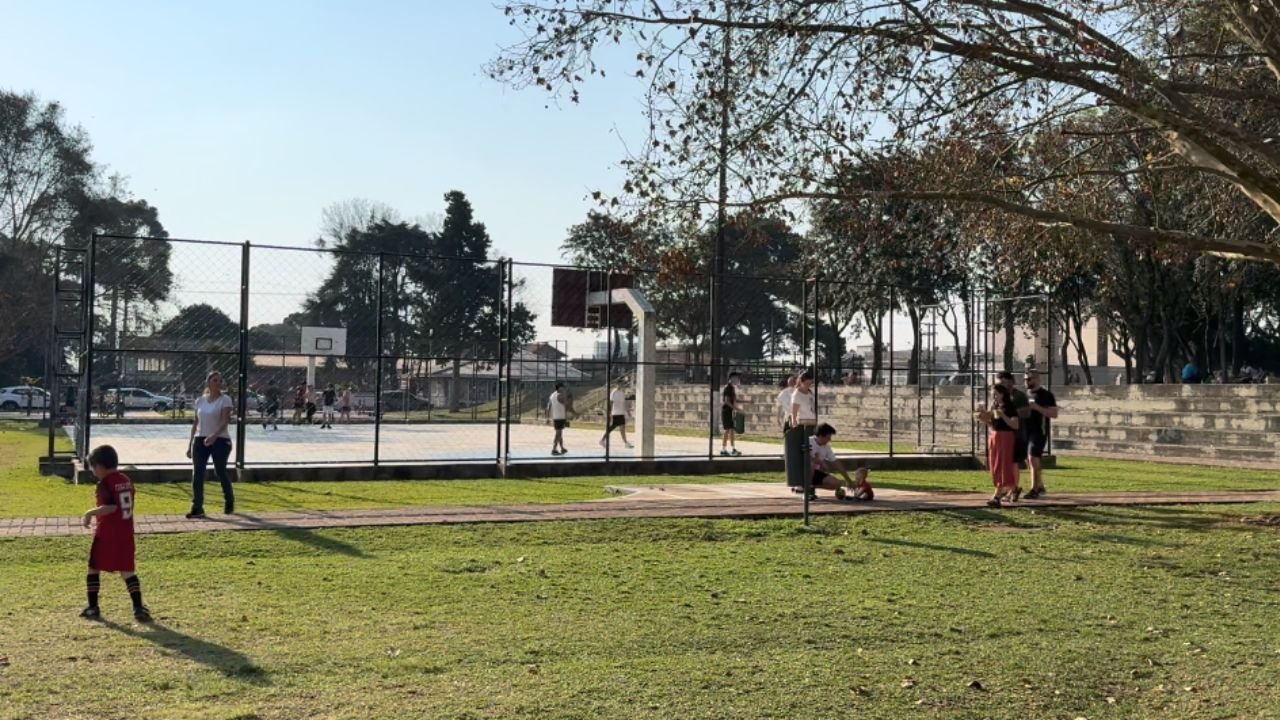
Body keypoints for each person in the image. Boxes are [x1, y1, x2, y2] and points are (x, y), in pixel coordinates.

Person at [79, 444, 151, 623]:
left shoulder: (105, 483)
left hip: (107, 533)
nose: (94, 471)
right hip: (126, 532)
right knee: (127, 570)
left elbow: (110, 507)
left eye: (93, 467)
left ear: (100, 466)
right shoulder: (126, 479)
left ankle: (93, 607)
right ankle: (138, 607)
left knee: (94, 567)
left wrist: (89, 513)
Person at [185, 371, 235, 518]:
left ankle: (229, 501)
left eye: (220, 381)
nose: (218, 383)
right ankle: (197, 506)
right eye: (215, 380)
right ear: (208, 382)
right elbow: (196, 423)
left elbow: (225, 420)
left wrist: (214, 435)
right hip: (201, 439)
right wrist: (190, 444)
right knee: (198, 472)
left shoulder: (225, 400)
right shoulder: (200, 401)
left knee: (220, 471)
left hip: (220, 440)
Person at [977, 384, 1021, 508]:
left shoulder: (1009, 406)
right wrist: (983, 417)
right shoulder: (994, 405)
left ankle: (997, 495)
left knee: (1002, 465)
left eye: (996, 393)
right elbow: (992, 423)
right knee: (995, 464)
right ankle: (1013, 488)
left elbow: (1015, 425)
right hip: (995, 436)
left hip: (1006, 437)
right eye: (992, 394)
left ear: (1002, 394)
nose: (993, 396)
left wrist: (1003, 415)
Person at [808, 423, 874, 501]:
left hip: (815, 473)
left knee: (837, 483)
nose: (830, 439)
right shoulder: (808, 441)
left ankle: (810, 487)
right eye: (828, 437)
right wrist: (814, 460)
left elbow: (837, 464)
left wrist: (848, 480)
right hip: (803, 472)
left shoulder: (826, 447)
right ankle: (807, 491)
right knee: (811, 464)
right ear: (821, 436)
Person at [1023, 370, 1059, 499]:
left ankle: (1034, 489)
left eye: (1030, 379)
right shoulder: (1025, 394)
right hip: (1026, 430)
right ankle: (1040, 485)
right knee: (1028, 460)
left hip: (1039, 431)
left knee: (1033, 457)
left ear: (1037, 379)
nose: (1027, 382)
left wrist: (1037, 407)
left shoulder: (1046, 395)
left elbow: (1054, 414)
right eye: (1025, 379)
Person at [997, 371, 1031, 494]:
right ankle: (1007, 487)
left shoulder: (1019, 396)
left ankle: (1014, 488)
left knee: (1013, 462)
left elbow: (1026, 412)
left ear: (1011, 382)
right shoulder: (998, 397)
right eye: (1000, 383)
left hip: (1016, 433)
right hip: (1001, 434)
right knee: (1003, 462)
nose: (1002, 386)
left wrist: (1009, 412)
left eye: (1004, 383)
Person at [600, 379, 633, 450]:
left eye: (622, 384)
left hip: (621, 412)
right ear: (617, 384)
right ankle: (602, 440)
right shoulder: (614, 392)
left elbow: (624, 403)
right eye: (620, 384)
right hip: (615, 413)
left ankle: (625, 443)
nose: (621, 385)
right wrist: (609, 412)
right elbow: (611, 403)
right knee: (612, 427)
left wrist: (627, 412)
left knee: (622, 427)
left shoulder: (622, 392)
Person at [720, 371, 742, 456]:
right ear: (731, 379)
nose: (737, 380)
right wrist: (736, 408)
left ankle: (732, 449)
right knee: (727, 430)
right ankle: (723, 449)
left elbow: (735, 401)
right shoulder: (728, 388)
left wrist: (748, 401)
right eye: (736, 378)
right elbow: (727, 401)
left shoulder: (732, 388)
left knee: (731, 430)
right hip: (726, 412)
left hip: (730, 412)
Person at [547, 382, 569, 456]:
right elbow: (566, 404)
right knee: (558, 433)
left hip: (555, 416)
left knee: (559, 433)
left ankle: (562, 448)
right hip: (560, 416)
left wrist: (548, 417)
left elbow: (548, 407)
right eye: (562, 387)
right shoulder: (560, 395)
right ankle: (554, 449)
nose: (563, 388)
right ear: (559, 388)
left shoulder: (552, 395)